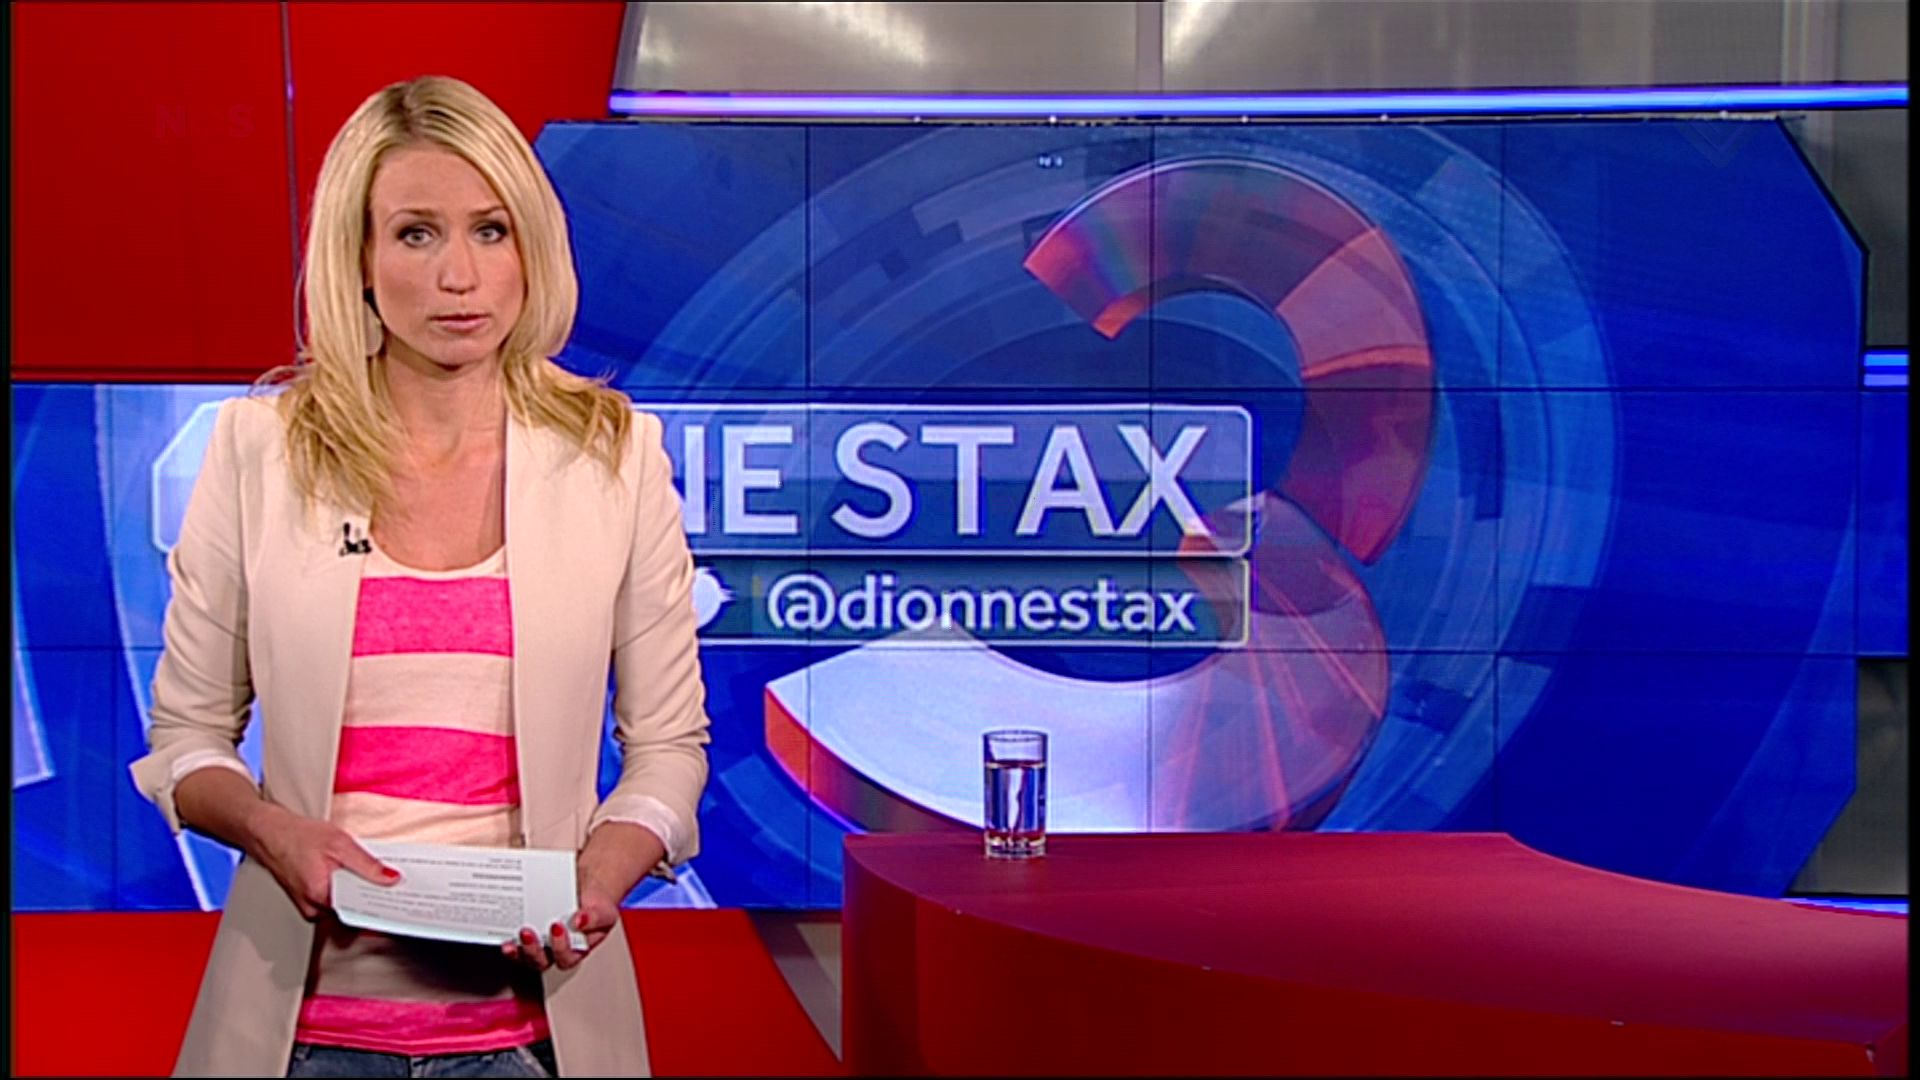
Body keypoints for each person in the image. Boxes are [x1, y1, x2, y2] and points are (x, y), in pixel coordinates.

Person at [128, 75, 710, 1078]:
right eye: (415, 234)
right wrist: (271, 831)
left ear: (531, 247)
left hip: (533, 1040)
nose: (458, 277)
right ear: (357, 259)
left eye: (490, 230)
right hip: (302, 1037)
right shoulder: (261, 449)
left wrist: (597, 880)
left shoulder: (612, 456)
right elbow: (185, 741)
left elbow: (667, 747)